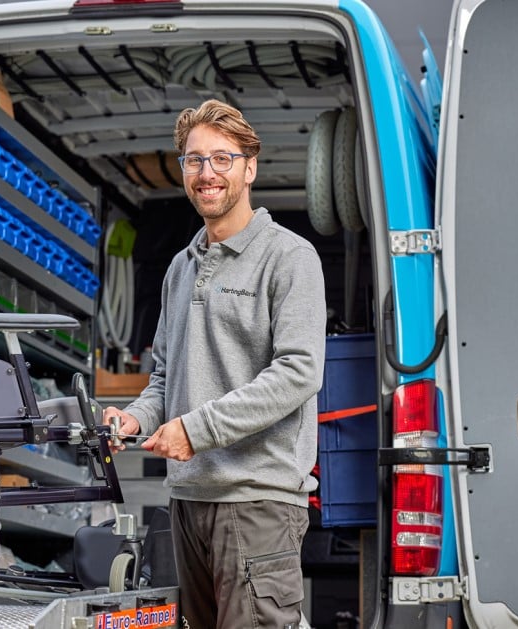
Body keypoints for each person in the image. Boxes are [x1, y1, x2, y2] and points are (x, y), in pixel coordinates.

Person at [103, 99, 326, 629]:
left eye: (222, 159)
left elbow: (298, 371)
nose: (207, 173)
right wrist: (134, 418)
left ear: (250, 168)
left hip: (256, 501)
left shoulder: (288, 257)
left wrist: (195, 431)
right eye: (194, 160)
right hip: (188, 499)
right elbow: (165, 378)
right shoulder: (179, 269)